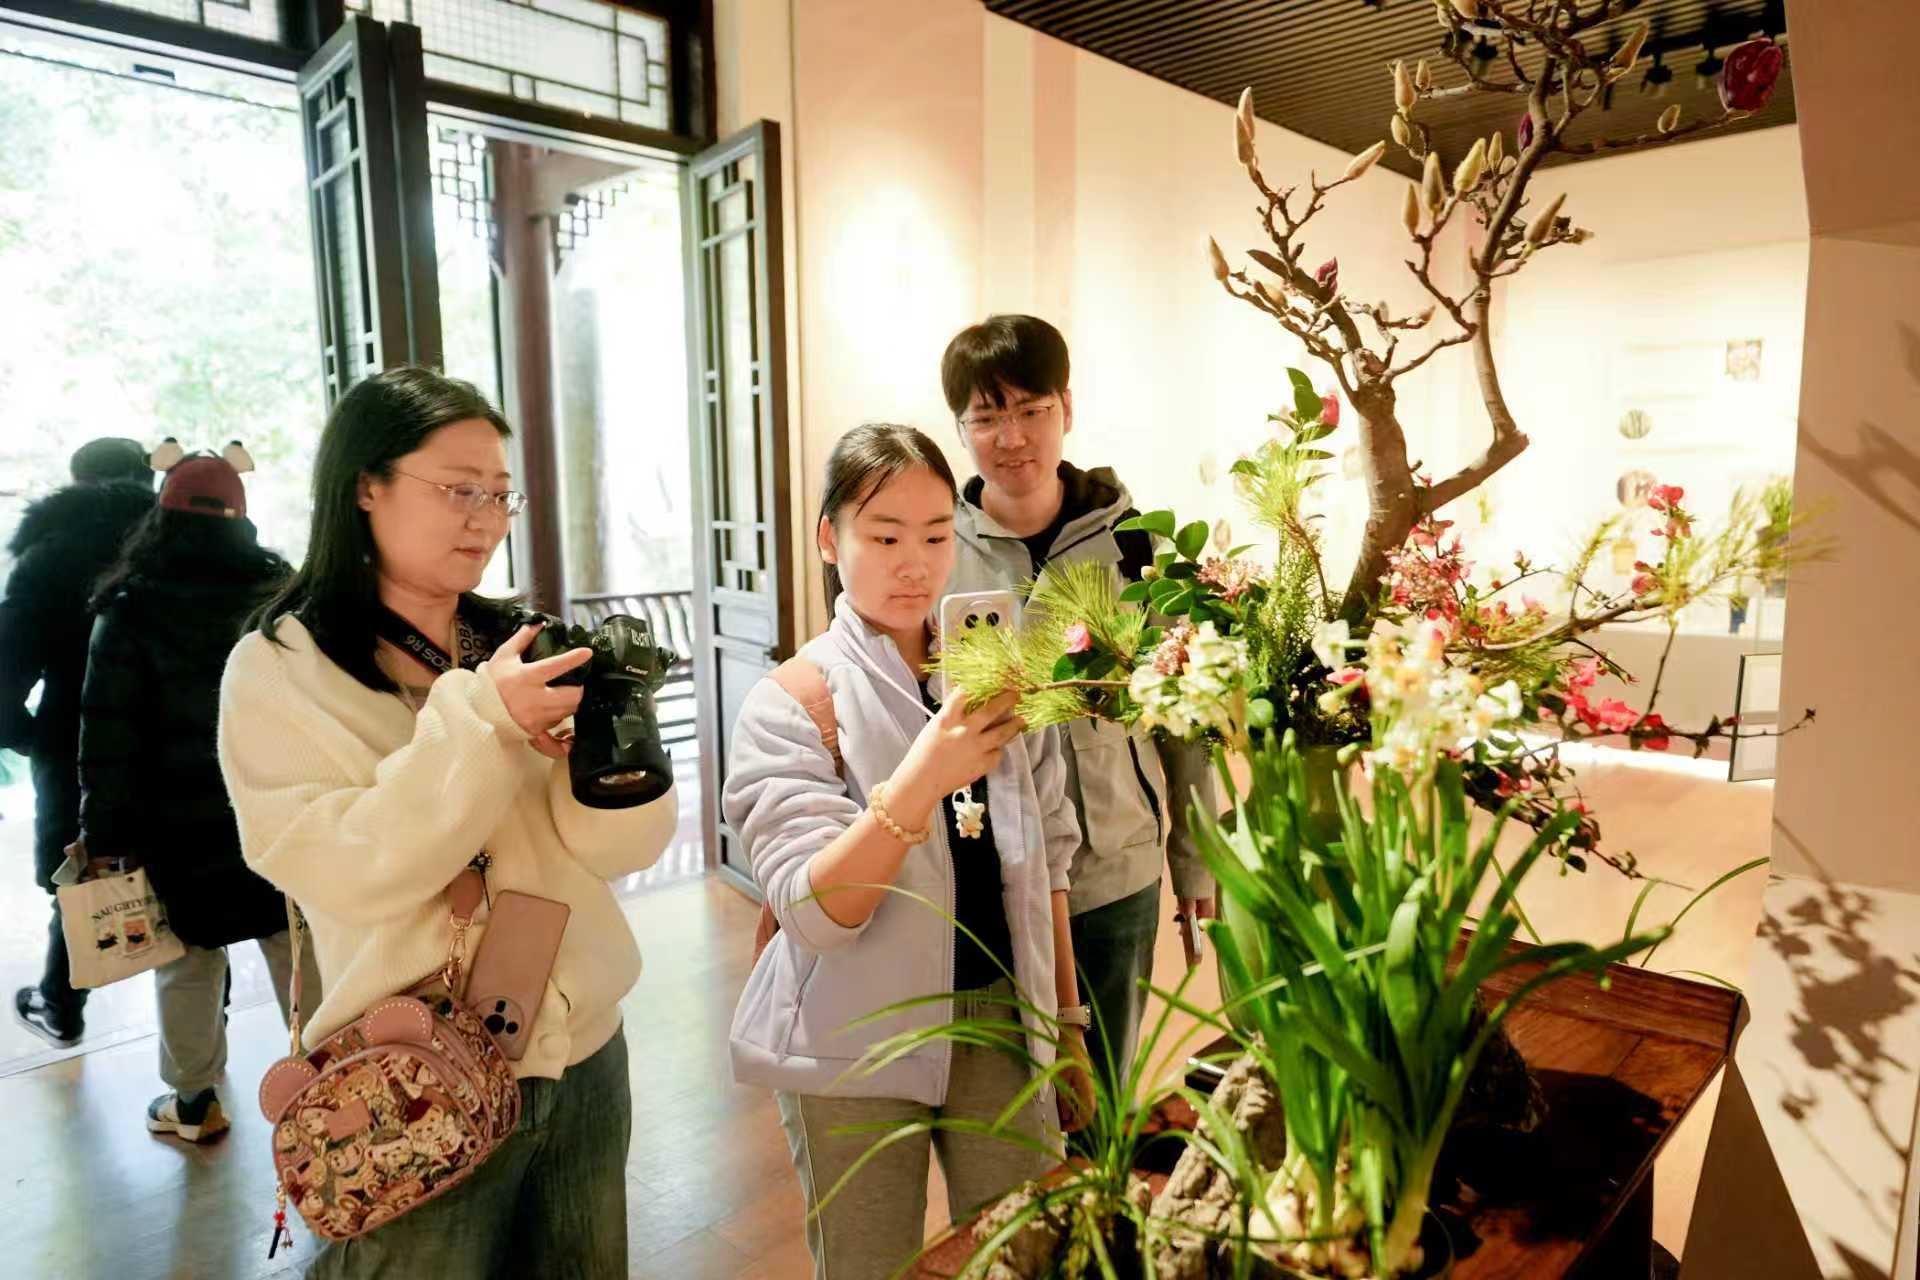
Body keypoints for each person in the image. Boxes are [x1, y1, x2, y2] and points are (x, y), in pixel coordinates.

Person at [217, 366, 677, 1276]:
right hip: (414, 1075)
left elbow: (616, 849)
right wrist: (485, 722)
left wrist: (609, 754)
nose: (485, 518)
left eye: (499, 494)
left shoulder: (521, 644)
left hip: (582, 1053)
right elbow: (352, 869)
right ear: (366, 485)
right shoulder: (279, 670)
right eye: (459, 490)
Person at [727, 424, 1095, 1280]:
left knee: (1020, 1255)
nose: (915, 565)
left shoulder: (996, 676)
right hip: (852, 1041)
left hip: (1003, 1020)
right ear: (830, 539)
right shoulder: (792, 702)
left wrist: (1066, 1025)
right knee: (871, 1265)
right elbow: (819, 915)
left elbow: (1049, 861)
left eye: (935, 537)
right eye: (885, 537)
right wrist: (924, 775)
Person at [940, 314, 1218, 1085]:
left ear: (1067, 406)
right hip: (983, 869)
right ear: (960, 429)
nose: (1011, 437)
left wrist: (1196, 862)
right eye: (986, 417)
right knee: (998, 1100)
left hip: (1114, 866)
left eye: (1031, 409)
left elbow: (1186, 713)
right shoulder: (937, 547)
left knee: (1103, 1091)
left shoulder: (1135, 541)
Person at [77, 448, 315, 1141]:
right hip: (271, 809)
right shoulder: (280, 595)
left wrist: (104, 835)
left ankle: (193, 1104)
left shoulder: (130, 607)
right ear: (242, 518)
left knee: (186, 961)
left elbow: (107, 735)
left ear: (162, 516)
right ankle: (334, 1077)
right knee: (296, 947)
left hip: (172, 825)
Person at [0, 437, 155, 1046]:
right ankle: (200, 1030)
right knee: (184, 866)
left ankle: (63, 1006)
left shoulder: (48, 553)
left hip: (74, 734)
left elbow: (8, 658)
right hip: (172, 732)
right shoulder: (178, 543)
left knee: (76, 867)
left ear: (76, 481)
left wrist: (22, 732)